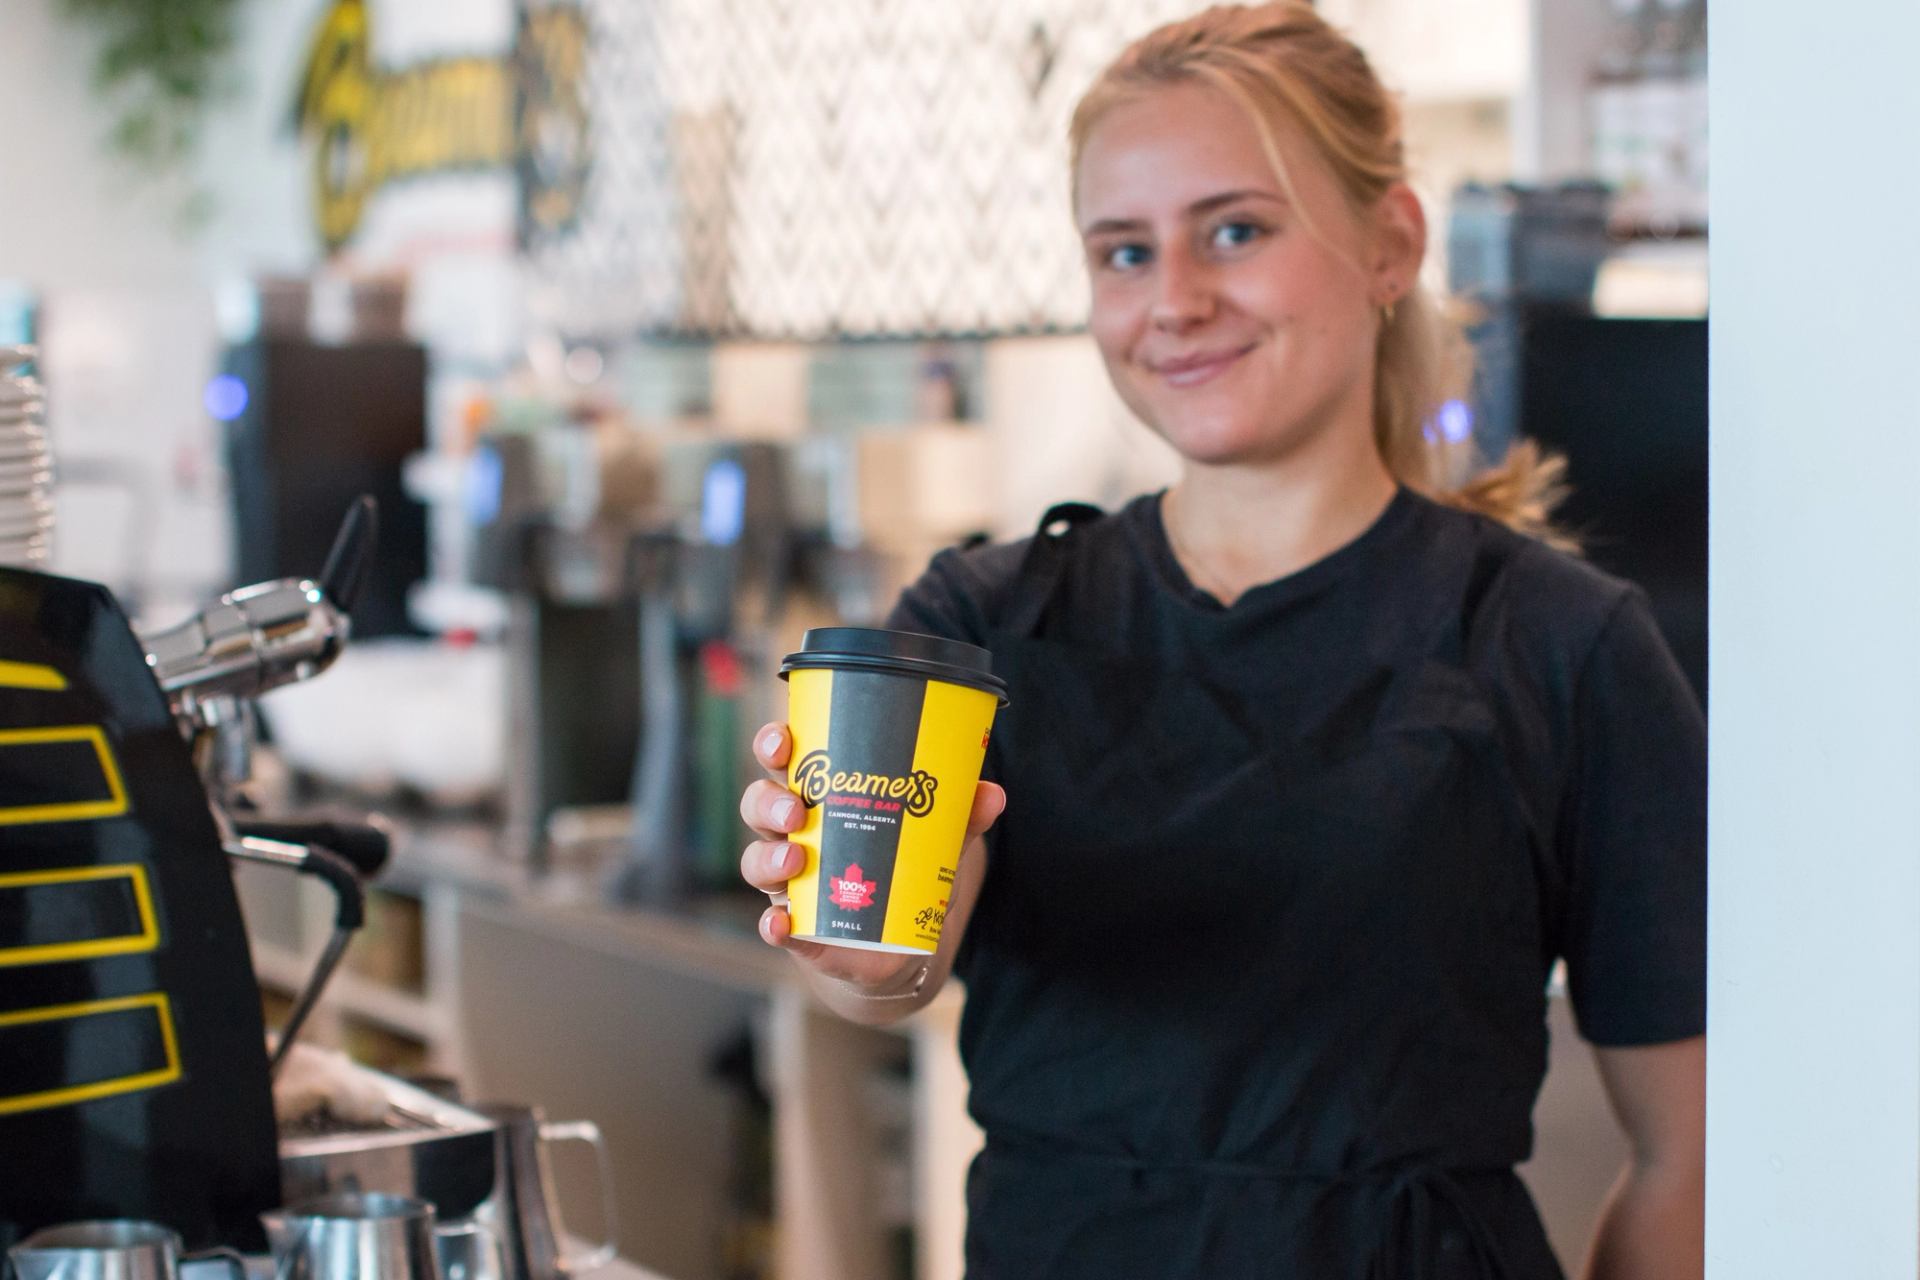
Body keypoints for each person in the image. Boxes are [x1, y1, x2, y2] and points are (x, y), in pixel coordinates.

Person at [738, 5, 1705, 1277]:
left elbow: (1694, 1146)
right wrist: (853, 935)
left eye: (1235, 231)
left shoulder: (1565, 645)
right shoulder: (980, 624)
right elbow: (886, 968)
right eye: (1123, 253)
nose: (1175, 300)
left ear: (1388, 243)